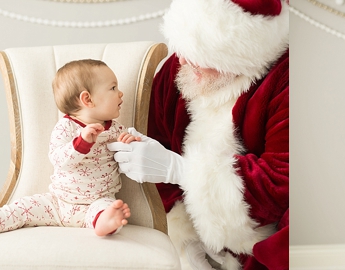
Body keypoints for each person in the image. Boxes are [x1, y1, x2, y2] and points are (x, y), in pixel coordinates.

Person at [107, 0, 289, 269]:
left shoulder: (284, 81)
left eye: (197, 57)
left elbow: (282, 183)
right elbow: (158, 143)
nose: (180, 60)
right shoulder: (176, 69)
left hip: (263, 242)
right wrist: (182, 239)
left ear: (234, 56)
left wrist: (181, 170)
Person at [0, 59, 139, 238]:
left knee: (110, 209)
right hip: (57, 203)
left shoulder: (116, 128)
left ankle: (104, 223)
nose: (120, 93)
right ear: (87, 99)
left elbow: (130, 156)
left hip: (95, 203)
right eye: (113, 88)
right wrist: (82, 142)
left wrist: (130, 142)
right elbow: (58, 159)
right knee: (21, 208)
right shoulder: (66, 128)